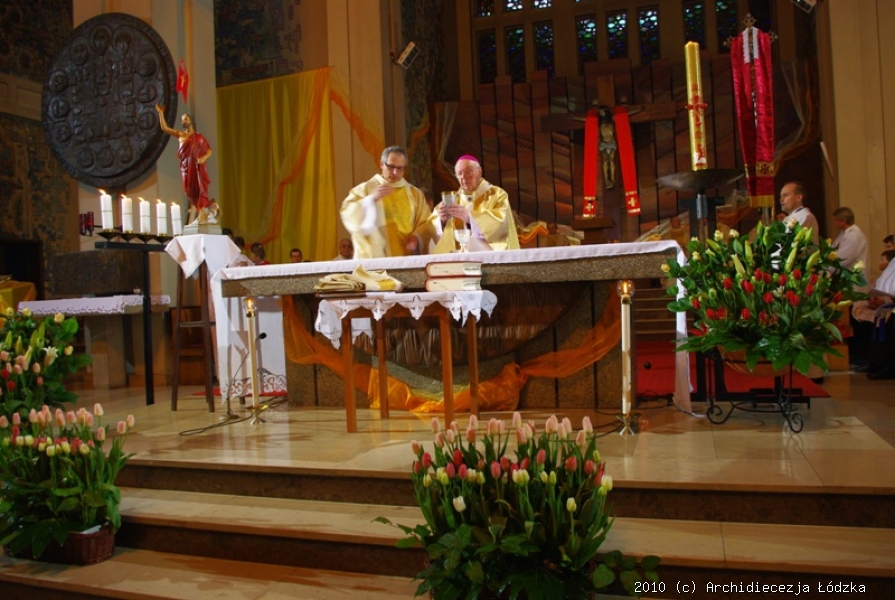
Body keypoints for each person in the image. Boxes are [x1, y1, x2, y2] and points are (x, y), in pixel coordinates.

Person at [340, 146, 431, 259]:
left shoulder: (415, 194)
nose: (395, 172)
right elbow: (347, 210)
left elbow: (426, 222)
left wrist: (416, 237)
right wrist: (370, 200)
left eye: (400, 168)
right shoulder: (366, 189)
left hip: (406, 256)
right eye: (391, 167)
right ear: (381, 164)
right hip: (374, 258)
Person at [427, 155, 520, 253]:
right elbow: (429, 226)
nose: (463, 176)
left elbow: (501, 224)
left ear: (479, 172)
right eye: (459, 173)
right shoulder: (453, 199)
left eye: (468, 172)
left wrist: (470, 218)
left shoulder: (497, 194)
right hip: (459, 258)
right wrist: (441, 221)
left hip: (489, 256)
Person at [156, 104, 215, 225]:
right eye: (182, 120)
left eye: (185, 119)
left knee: (200, 189)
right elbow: (165, 128)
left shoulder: (199, 137)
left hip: (197, 167)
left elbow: (209, 151)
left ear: (191, 121)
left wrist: (203, 158)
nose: (183, 122)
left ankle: (203, 213)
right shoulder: (180, 135)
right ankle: (201, 213)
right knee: (189, 191)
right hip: (186, 168)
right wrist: (160, 113)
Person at [832, 207, 869, 290]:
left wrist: (827, 270)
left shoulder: (854, 236)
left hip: (853, 278)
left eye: (837, 220)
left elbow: (843, 258)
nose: (835, 223)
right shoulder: (843, 233)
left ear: (844, 221)